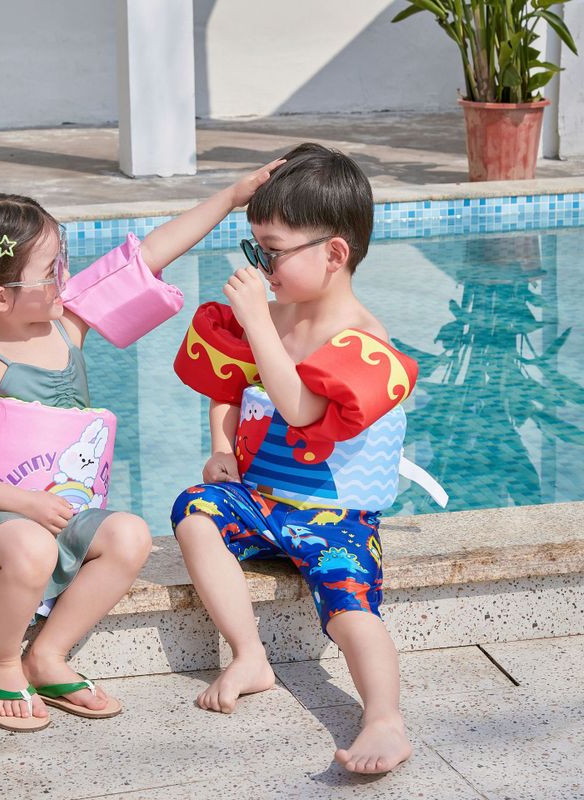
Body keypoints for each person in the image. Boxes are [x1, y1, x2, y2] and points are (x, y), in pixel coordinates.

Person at [0, 160, 282, 732]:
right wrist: (24, 504)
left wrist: (230, 197)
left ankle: (46, 656)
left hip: (57, 517)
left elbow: (147, 256)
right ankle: (2, 663)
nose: (67, 278)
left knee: (127, 534)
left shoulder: (67, 327)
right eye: (53, 269)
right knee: (31, 548)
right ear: (0, 298)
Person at [171, 143, 418, 773]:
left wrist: (256, 320)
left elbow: (303, 408)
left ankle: (384, 719)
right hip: (261, 501)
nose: (259, 265)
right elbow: (230, 392)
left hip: (335, 515)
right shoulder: (268, 319)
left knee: (349, 609)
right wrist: (223, 449)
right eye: (253, 247)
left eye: (271, 251)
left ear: (334, 254)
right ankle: (249, 653)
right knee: (194, 512)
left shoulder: (362, 339)